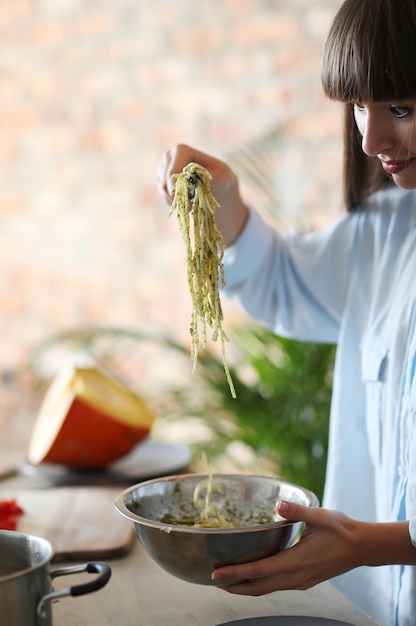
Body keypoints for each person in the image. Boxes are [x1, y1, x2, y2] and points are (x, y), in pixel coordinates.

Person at [156, 1, 416, 624]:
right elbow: (281, 283)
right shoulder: (384, 233)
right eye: (359, 107)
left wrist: (367, 545)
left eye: (402, 109)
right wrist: (227, 201)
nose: (370, 139)